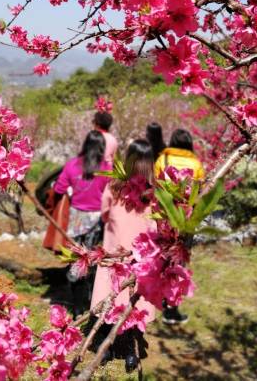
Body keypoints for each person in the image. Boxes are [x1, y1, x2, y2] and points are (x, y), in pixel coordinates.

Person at [91, 139, 157, 372]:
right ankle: (130, 352)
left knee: (109, 299)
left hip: (113, 255)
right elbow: (156, 226)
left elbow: (105, 215)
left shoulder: (114, 187)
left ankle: (106, 349)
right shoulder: (152, 193)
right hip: (139, 258)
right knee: (132, 304)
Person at [53, 130, 111, 316]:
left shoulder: (72, 166)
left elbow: (59, 188)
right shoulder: (107, 168)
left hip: (76, 220)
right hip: (98, 222)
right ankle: (91, 304)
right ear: (102, 147)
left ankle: (78, 307)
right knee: (92, 261)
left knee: (78, 261)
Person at [154, 127, 205, 325]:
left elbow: (157, 186)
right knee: (179, 261)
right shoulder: (196, 163)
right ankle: (172, 308)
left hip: (166, 216)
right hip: (185, 218)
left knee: (162, 257)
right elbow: (199, 191)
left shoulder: (162, 160)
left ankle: (157, 297)